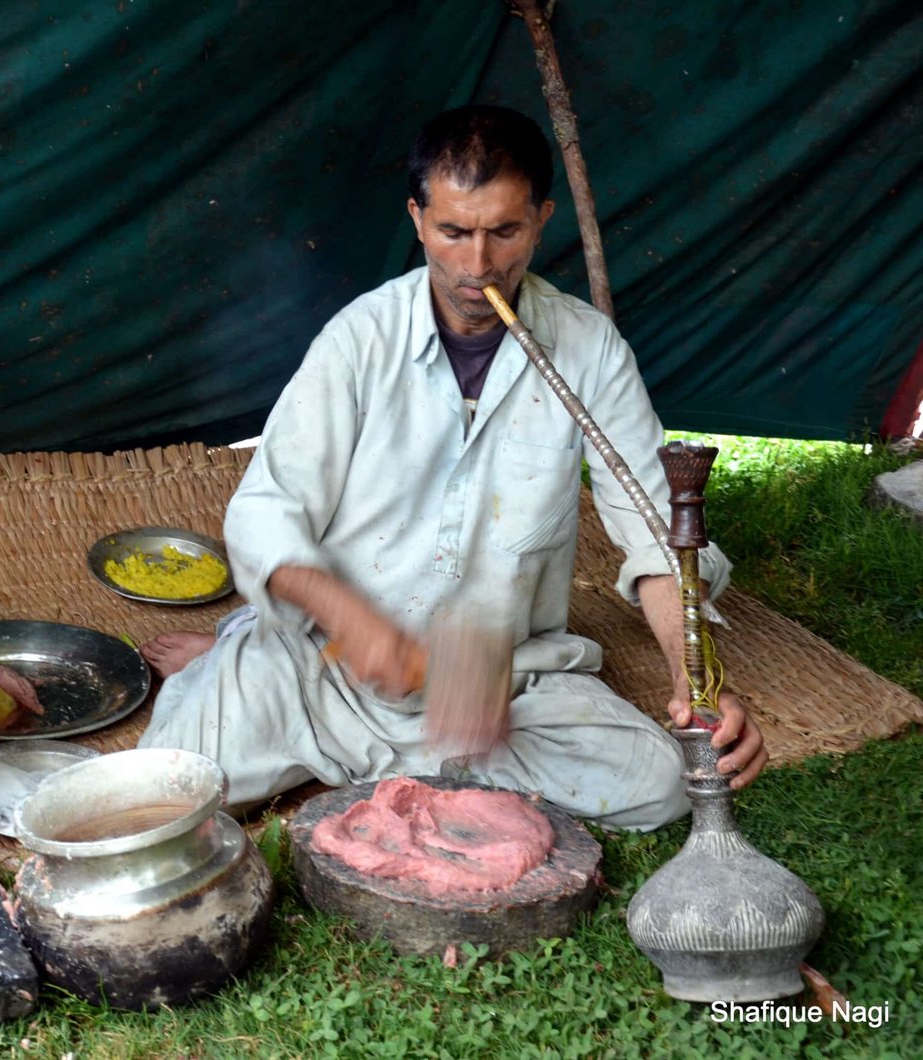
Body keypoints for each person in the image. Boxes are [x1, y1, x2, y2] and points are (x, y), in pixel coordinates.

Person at [138, 106, 766, 830]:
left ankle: (308, 728)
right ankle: (236, 665)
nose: (477, 266)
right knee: (172, 785)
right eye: (454, 232)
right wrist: (356, 625)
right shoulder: (359, 339)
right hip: (327, 664)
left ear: (541, 220)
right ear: (416, 218)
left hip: (501, 686)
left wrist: (696, 676)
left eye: (504, 232)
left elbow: (656, 535)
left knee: (656, 788)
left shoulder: (589, 351)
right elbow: (264, 514)